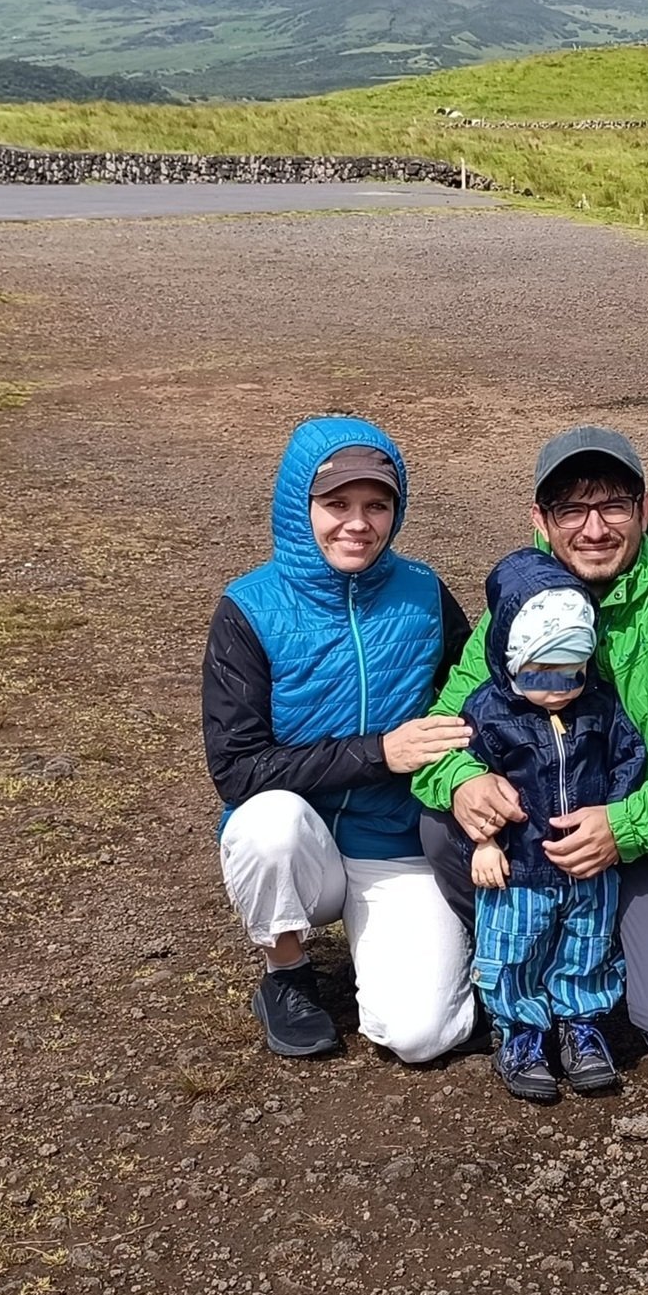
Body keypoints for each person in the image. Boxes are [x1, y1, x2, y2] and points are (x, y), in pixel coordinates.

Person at [412, 427, 648, 1071]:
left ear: (644, 509)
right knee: (446, 824)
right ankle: (535, 972)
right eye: (570, 510)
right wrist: (464, 778)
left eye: (612, 505)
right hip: (557, 843)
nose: (593, 529)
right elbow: (447, 724)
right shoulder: (524, 601)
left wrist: (627, 827)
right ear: (540, 519)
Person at [204, 417, 477, 1063]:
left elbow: (474, 705)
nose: (358, 523)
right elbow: (237, 770)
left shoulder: (426, 595)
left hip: (396, 843)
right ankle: (288, 972)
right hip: (304, 848)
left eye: (376, 504)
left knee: (423, 1036)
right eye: (337, 503)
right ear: (301, 505)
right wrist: (381, 751)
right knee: (266, 821)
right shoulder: (248, 607)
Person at [457, 551, 648, 1104]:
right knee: (514, 945)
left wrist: (614, 816)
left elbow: (628, 758)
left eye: (573, 670)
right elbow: (469, 775)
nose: (560, 686)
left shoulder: (600, 706)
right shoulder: (489, 714)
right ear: (510, 659)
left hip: (589, 864)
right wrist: (484, 840)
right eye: (542, 672)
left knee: (585, 945)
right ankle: (520, 1031)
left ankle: (581, 1025)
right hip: (519, 863)